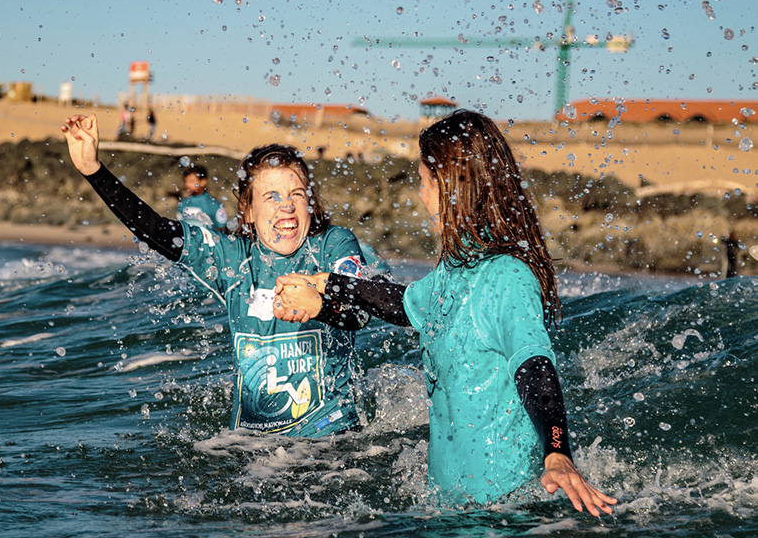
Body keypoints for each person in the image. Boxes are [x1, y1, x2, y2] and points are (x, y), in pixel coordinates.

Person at [272, 110, 617, 517]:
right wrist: (326, 285)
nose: (420, 196)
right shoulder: (455, 271)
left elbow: (535, 363)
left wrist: (557, 451)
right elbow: (403, 303)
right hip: (449, 512)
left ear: (449, 186)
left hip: (505, 515)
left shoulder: (506, 276)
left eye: (423, 183)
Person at [60, 114, 371, 438]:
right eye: (272, 197)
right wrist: (95, 172)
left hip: (333, 444)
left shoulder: (333, 245)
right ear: (248, 210)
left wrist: (320, 306)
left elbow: (361, 310)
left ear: (310, 202)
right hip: (249, 448)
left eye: (296, 194)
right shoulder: (231, 258)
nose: (287, 207)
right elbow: (156, 231)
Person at [176, 164, 229, 233]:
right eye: (186, 181)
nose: (187, 185)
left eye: (191, 181)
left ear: (203, 182)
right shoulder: (183, 203)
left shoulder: (215, 205)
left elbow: (223, 231)